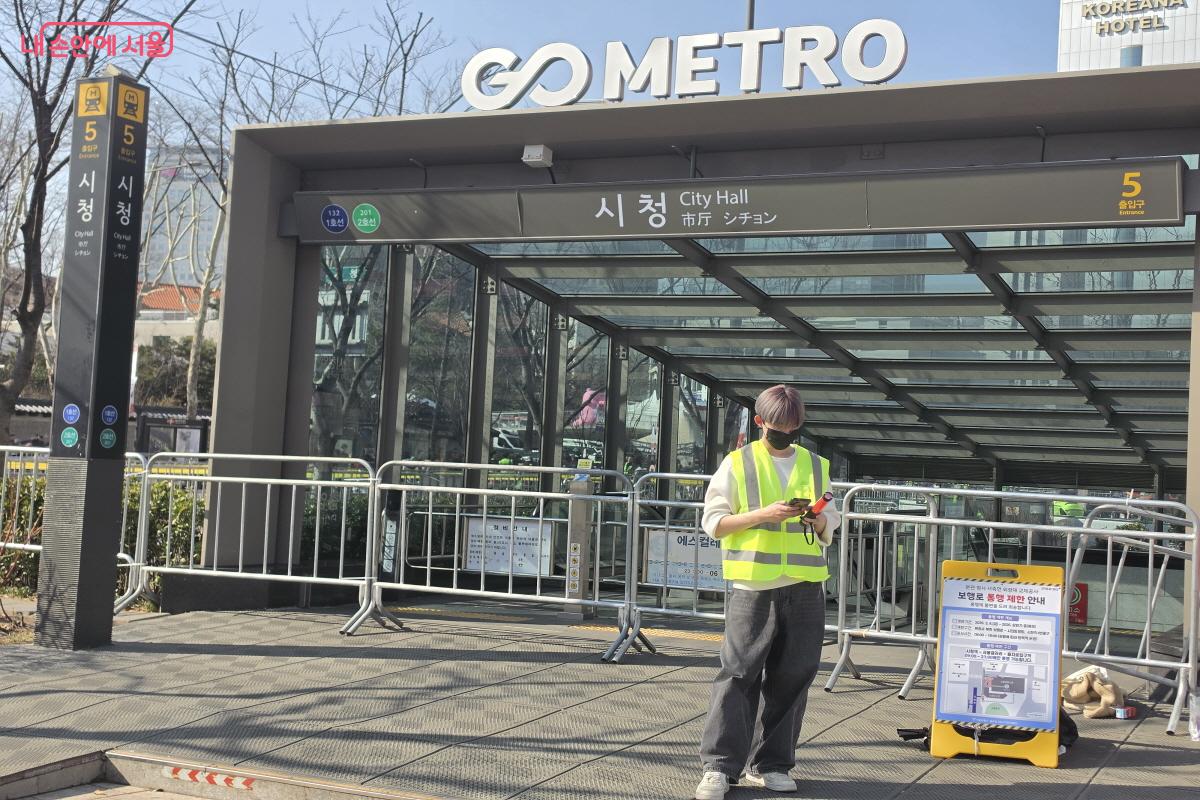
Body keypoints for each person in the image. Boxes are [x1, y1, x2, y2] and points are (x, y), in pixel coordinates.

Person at [694, 384, 840, 799]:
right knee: (738, 675)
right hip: (752, 584)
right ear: (760, 423)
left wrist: (817, 520)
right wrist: (764, 515)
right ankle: (719, 767)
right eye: (777, 428)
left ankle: (773, 763)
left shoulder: (816, 465)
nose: (784, 436)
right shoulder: (737, 463)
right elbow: (715, 523)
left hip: (805, 584)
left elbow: (832, 518)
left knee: (794, 676)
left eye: (792, 430)